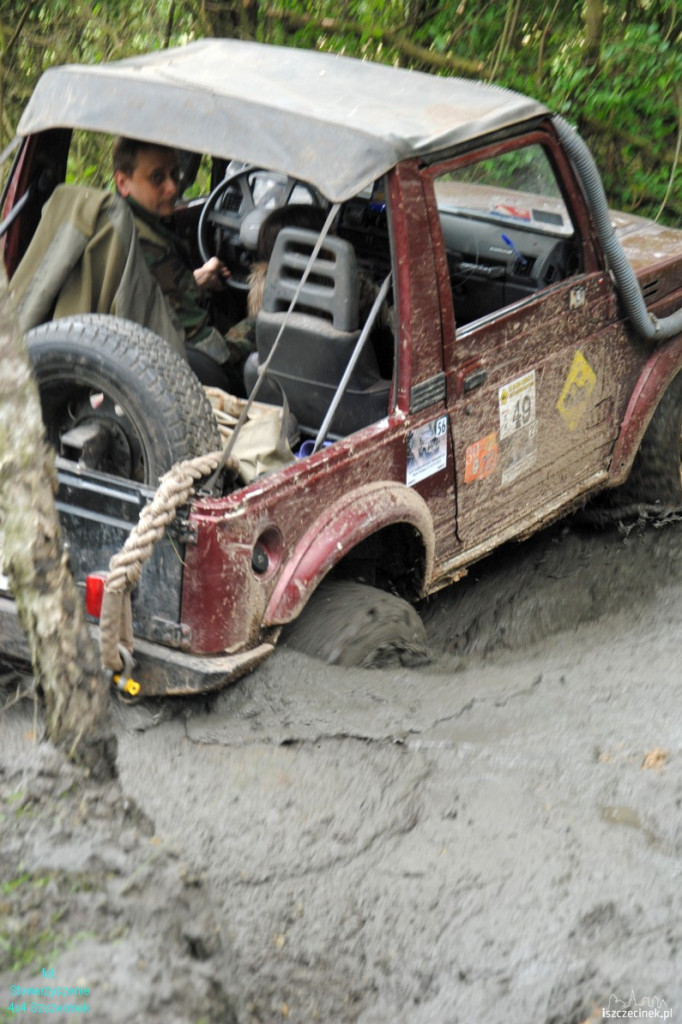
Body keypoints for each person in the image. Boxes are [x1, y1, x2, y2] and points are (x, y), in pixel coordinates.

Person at [113, 136, 250, 392]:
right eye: (157, 178)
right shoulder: (150, 246)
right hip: (177, 374)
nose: (172, 188)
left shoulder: (117, 224)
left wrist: (194, 282)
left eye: (174, 175)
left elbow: (156, 292)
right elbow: (214, 356)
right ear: (123, 182)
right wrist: (258, 322)